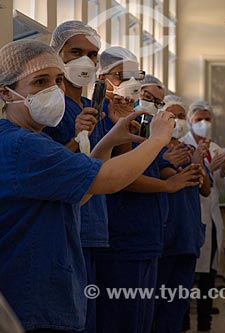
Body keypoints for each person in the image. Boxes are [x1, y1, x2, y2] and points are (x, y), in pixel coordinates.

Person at [0, 39, 175, 332]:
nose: (53, 90)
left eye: (57, 80)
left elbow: (81, 192)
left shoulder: (33, 142)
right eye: (40, 82)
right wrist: (157, 139)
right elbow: (106, 180)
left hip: (40, 292)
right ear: (6, 92)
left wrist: (109, 140)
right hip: (30, 298)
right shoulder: (21, 146)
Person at [94, 71, 202, 333]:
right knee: (122, 318)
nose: (152, 105)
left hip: (151, 237)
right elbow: (123, 176)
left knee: (146, 316)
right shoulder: (111, 125)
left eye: (158, 101)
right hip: (124, 238)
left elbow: (164, 168)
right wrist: (168, 185)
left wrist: (186, 168)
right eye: (147, 97)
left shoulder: (150, 135)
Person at [44, 21, 106, 333]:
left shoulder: (93, 107)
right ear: (57, 54)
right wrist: (77, 134)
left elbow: (104, 164)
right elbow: (50, 168)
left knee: (89, 316)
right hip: (64, 223)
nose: (86, 61)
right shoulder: (48, 109)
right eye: (76, 52)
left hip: (93, 222)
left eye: (93, 54)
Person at [152, 95, 211, 333]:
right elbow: (168, 178)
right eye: (171, 115)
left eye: (179, 116)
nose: (176, 120)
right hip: (163, 238)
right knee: (155, 302)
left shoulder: (189, 149)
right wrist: (183, 168)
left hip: (187, 236)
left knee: (178, 303)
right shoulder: (151, 149)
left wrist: (197, 164)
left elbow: (205, 189)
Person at [180, 101, 225, 333]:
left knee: (208, 276)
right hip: (191, 217)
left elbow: (222, 188)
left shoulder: (217, 149)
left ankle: (205, 324)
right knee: (186, 276)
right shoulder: (182, 146)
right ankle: (184, 324)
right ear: (190, 121)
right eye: (199, 119)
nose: (203, 124)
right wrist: (208, 167)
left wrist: (222, 168)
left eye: (207, 119)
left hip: (213, 220)